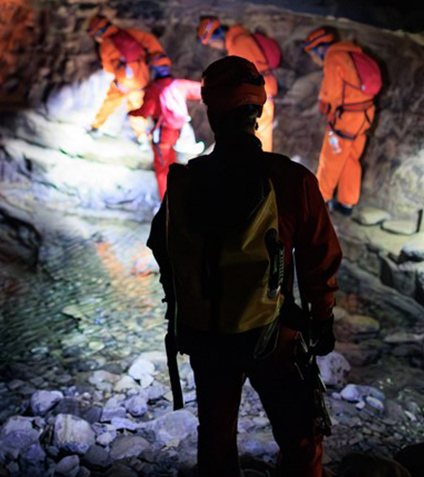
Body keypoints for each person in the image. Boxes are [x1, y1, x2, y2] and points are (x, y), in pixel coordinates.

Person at [148, 56, 342, 477]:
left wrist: (187, 307)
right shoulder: (291, 180)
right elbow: (320, 258)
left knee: (217, 437)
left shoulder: (185, 181)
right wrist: (322, 319)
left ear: (211, 114)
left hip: (205, 334)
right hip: (273, 334)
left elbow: (162, 248)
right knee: (300, 435)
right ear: (258, 112)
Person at [302, 27, 382, 216]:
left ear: (320, 48)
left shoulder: (333, 57)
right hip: (365, 115)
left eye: (313, 54)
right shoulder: (352, 52)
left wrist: (324, 102)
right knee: (351, 158)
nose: (314, 59)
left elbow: (332, 92)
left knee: (331, 158)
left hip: (346, 118)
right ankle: (347, 203)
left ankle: (318, 201)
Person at [196, 17, 280, 152]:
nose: (212, 46)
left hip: (257, 94)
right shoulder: (237, 39)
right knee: (258, 132)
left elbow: (244, 74)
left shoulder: (238, 43)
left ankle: (260, 163)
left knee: (259, 133)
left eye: (211, 42)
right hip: (259, 92)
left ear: (216, 36)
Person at [86, 15, 171, 144]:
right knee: (138, 109)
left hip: (122, 82)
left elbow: (108, 68)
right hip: (140, 81)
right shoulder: (130, 33)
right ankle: (141, 137)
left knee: (110, 102)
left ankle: (95, 127)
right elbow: (150, 41)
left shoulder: (105, 46)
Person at [127, 73, 202, 198]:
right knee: (173, 164)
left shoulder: (154, 88)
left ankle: (166, 201)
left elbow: (146, 110)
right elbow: (201, 89)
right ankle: (176, 198)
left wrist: (131, 112)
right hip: (179, 130)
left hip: (163, 132)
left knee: (163, 168)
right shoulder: (179, 84)